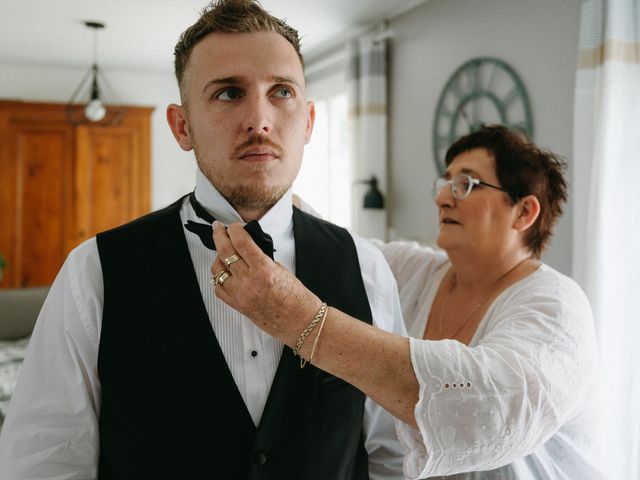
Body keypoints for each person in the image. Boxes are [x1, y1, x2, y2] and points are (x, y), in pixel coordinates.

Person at [0, 1, 406, 478]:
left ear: (310, 122)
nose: (260, 120)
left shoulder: (366, 268)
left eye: (281, 91)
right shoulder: (95, 270)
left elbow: (392, 457)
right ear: (182, 126)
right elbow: (45, 461)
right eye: (230, 93)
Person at [208, 125, 605, 479]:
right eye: (445, 183)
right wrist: (264, 184)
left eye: (466, 185)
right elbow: (340, 248)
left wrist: (300, 321)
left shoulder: (557, 307)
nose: (443, 199)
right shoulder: (415, 270)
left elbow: (489, 410)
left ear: (525, 211)